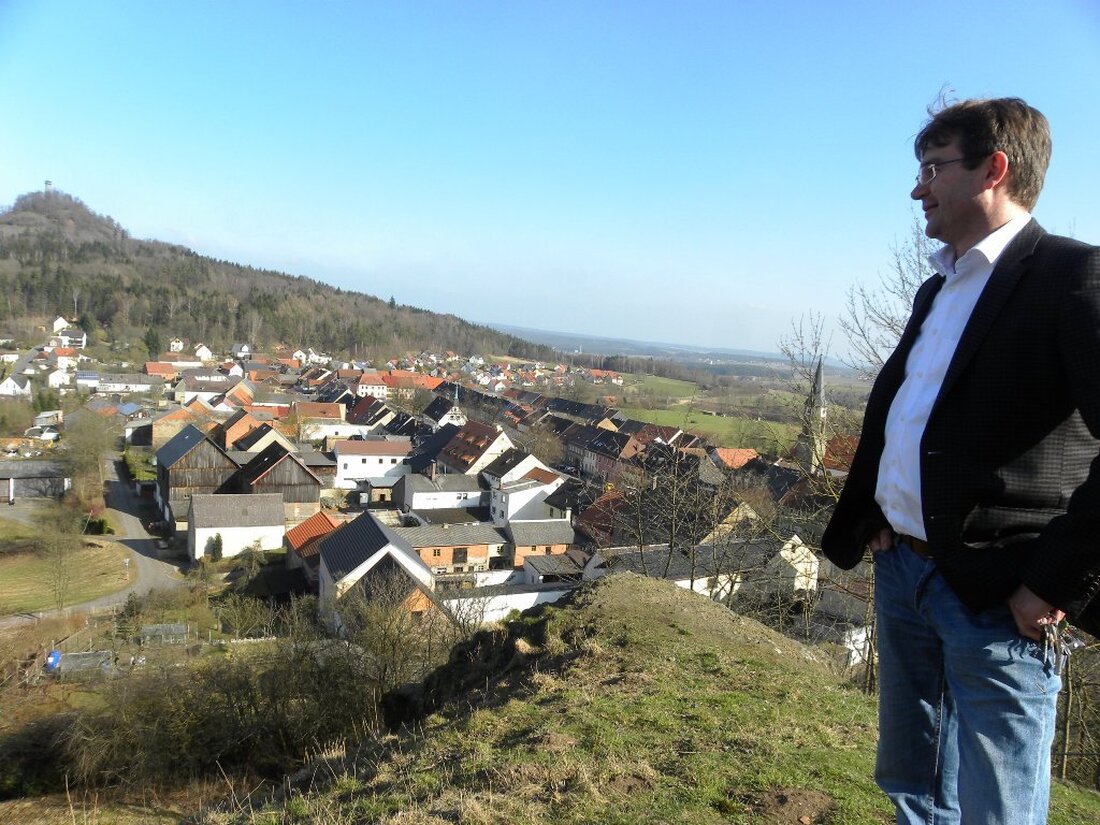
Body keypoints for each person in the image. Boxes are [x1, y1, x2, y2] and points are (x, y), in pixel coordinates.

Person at [822, 97, 1100, 824]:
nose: (919, 188)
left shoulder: (1074, 278)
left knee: (996, 807)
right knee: (912, 783)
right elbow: (914, 414)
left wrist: (1052, 582)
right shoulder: (939, 287)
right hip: (906, 573)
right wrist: (880, 513)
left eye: (932, 168)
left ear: (993, 170)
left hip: (1003, 600)